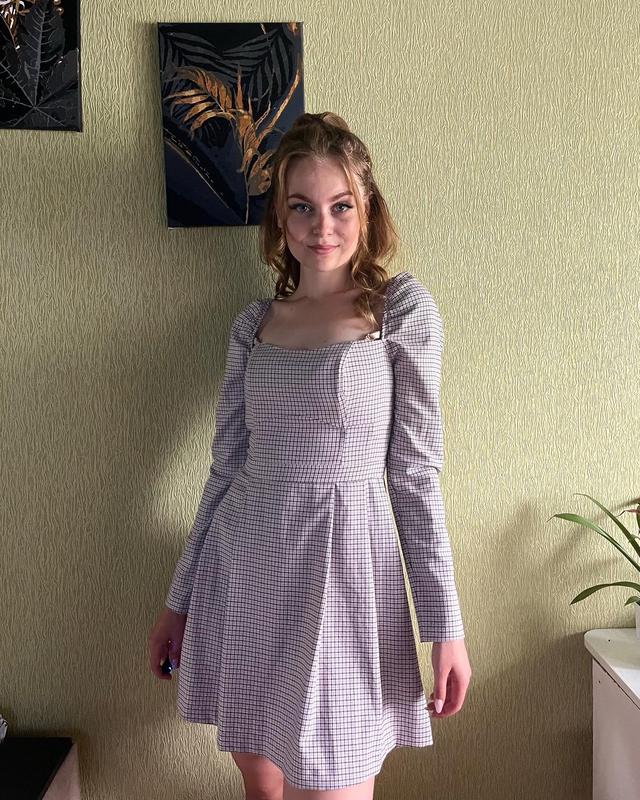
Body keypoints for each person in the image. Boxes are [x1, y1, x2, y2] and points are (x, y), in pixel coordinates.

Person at [148, 111, 471, 800]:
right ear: (280, 216)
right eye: (302, 207)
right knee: (262, 785)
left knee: (330, 784)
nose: (321, 226)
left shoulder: (399, 312)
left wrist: (444, 626)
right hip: (244, 574)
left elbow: (414, 475)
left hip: (346, 581)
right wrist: (179, 601)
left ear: (367, 209)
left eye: (340, 205)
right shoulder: (253, 325)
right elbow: (226, 466)